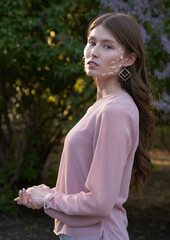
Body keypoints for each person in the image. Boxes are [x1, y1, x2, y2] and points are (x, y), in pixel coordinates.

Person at [14, 13, 154, 240]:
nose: (94, 52)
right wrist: (48, 193)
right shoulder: (101, 106)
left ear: (129, 59)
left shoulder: (115, 110)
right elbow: (86, 188)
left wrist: (48, 200)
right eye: (91, 42)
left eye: (108, 46)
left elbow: (99, 203)